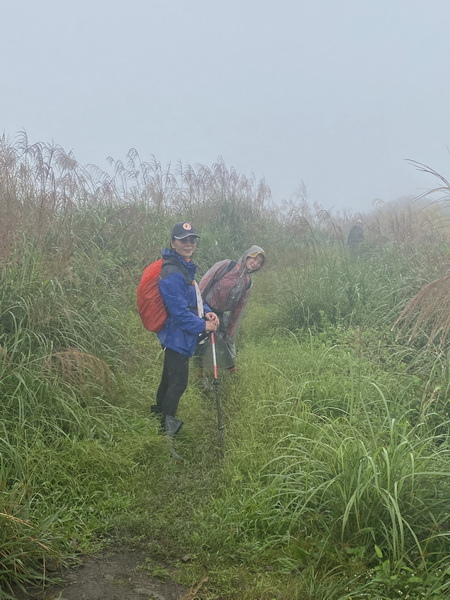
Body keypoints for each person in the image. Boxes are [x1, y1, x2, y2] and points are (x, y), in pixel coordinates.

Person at [150, 222, 219, 459]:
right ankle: (167, 438)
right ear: (173, 243)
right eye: (183, 240)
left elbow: (194, 300)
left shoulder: (184, 267)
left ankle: (158, 418)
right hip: (177, 336)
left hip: (179, 335)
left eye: (192, 240)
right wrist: (203, 325)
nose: (188, 244)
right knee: (177, 384)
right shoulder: (172, 272)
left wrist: (207, 311)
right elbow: (179, 313)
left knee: (168, 378)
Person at [198, 245, 266, 372]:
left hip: (220, 315)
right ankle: (197, 370)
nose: (255, 263)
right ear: (247, 256)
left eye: (259, 262)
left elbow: (238, 311)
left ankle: (216, 372)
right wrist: (197, 306)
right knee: (198, 341)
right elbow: (204, 283)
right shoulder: (226, 266)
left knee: (221, 343)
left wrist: (230, 332)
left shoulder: (248, 283)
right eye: (254, 258)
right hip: (204, 307)